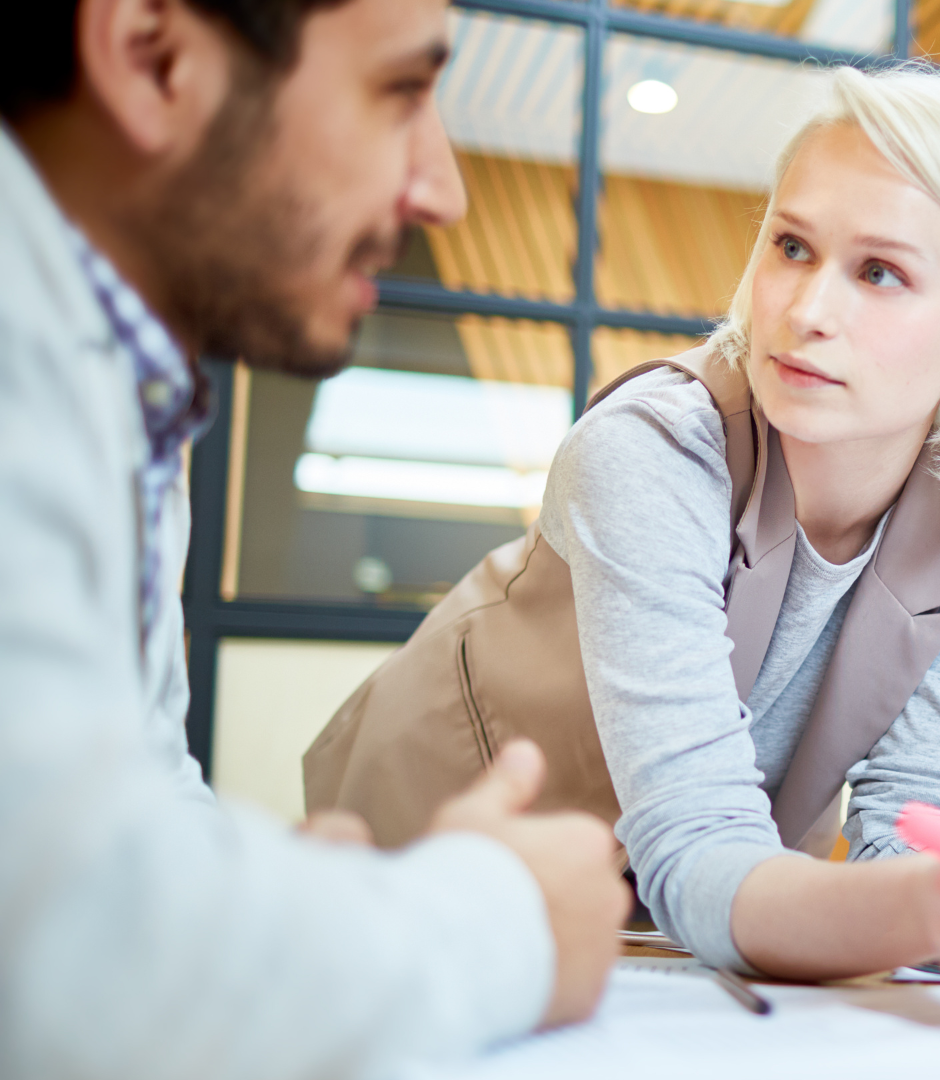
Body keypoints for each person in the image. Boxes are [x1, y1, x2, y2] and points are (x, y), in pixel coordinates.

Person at [307, 63, 940, 994]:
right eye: (792, 246)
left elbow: (916, 820)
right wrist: (931, 908)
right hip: (414, 881)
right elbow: (699, 841)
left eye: (879, 272)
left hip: (650, 941)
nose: (804, 308)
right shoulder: (651, 449)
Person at [0, 1, 631, 1077]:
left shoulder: (129, 389)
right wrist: (498, 920)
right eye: (401, 91)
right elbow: (67, 960)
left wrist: (290, 899)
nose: (442, 189)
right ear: (151, 56)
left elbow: (123, 825)